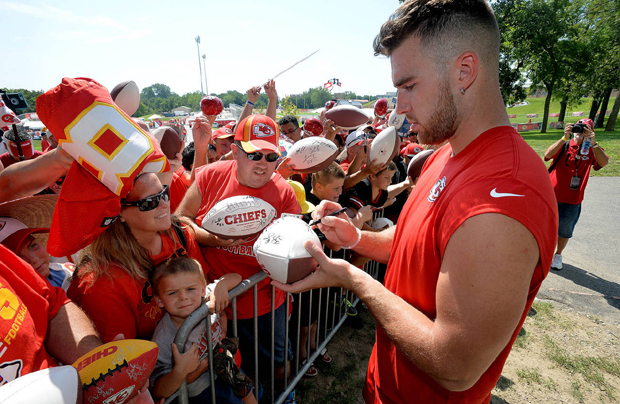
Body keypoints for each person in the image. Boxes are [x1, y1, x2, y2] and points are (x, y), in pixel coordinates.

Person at [274, 1, 558, 403]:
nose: (400, 106)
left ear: (464, 71)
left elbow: (455, 365)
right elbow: (421, 245)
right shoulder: (448, 152)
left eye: (408, 86)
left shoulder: (505, 194)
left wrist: (354, 278)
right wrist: (356, 238)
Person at [177, 114, 301, 398]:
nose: (263, 164)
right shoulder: (209, 176)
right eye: (254, 154)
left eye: (271, 157)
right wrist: (211, 238)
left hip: (264, 301)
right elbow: (181, 218)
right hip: (213, 303)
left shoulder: (284, 192)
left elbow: (296, 245)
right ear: (235, 150)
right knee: (235, 371)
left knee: (278, 365)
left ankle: (286, 398)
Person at [68, 173, 210, 342]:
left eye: (164, 193)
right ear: (118, 212)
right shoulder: (104, 281)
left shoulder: (179, 234)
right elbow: (123, 355)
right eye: (150, 202)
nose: (164, 204)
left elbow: (204, 290)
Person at [150, 257, 257, 404]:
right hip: (204, 391)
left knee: (247, 392)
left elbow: (237, 277)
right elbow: (158, 391)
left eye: (190, 289)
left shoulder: (206, 296)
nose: (183, 297)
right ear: (159, 300)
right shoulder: (162, 339)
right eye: (172, 293)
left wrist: (222, 286)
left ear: (202, 289)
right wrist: (180, 371)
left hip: (226, 363)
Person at [544, 118, 608, 270]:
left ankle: (558, 255)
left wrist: (593, 143)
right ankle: (542, 253)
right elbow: (547, 155)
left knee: (565, 230)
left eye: (585, 130)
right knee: (544, 227)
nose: (580, 133)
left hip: (573, 199)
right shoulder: (565, 144)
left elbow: (603, 162)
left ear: (591, 132)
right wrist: (564, 137)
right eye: (578, 129)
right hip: (552, 195)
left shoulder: (592, 149)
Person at [0, 217, 72, 290]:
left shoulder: (68, 270)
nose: (33, 259)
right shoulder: (13, 296)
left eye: (33, 245)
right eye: (16, 256)